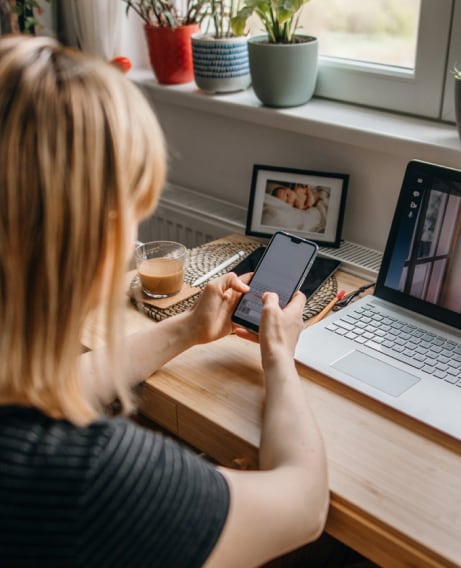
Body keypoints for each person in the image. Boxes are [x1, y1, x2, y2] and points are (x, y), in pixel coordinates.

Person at [0, 36, 328, 567]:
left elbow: (37, 390)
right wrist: (279, 359)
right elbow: (304, 507)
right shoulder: (89, 477)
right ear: (103, 243)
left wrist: (185, 331)